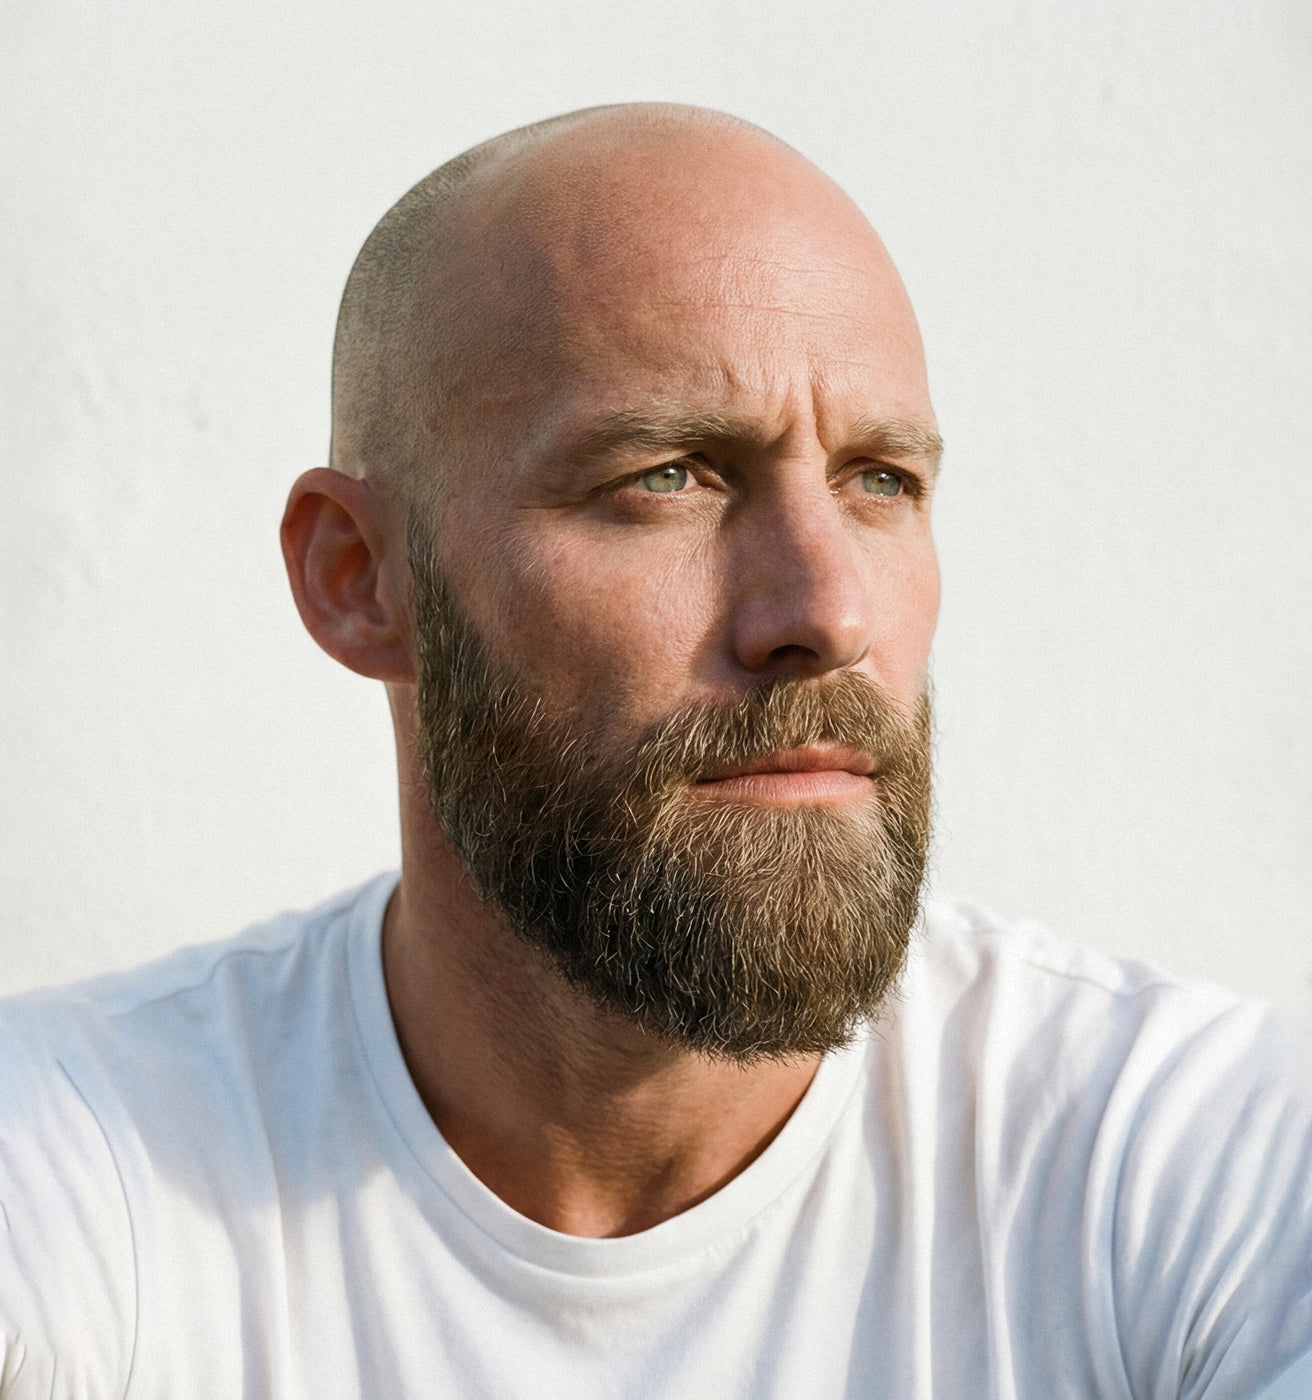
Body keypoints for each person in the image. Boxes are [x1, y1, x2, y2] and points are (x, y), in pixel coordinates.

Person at [1, 103, 1309, 1400]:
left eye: (880, 480)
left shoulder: (1207, 1164)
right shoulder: (77, 1160)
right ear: (361, 578)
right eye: (668, 475)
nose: (830, 613)